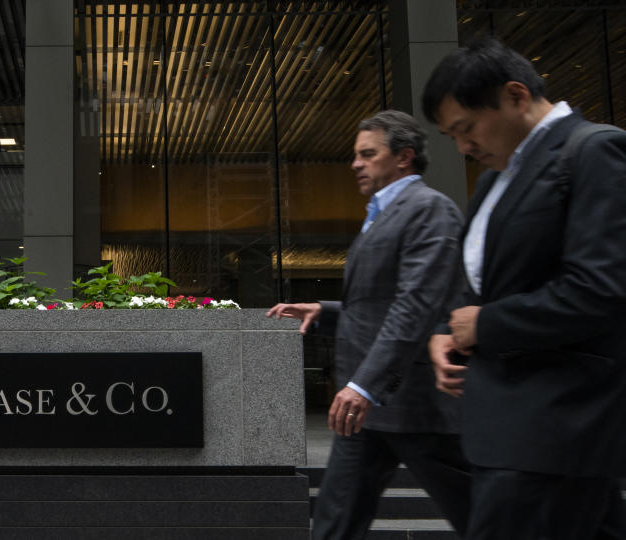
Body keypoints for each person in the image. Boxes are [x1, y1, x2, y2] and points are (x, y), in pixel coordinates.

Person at [421, 37, 626, 539]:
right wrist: (449, 330)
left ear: (516, 96)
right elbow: (486, 284)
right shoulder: (495, 181)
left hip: (557, 429)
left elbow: (603, 288)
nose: (464, 148)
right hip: (510, 430)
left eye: (465, 129)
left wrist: (486, 325)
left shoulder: (596, 150)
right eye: (451, 136)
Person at [268, 110, 471, 539]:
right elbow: (383, 305)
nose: (355, 163)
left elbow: (416, 306)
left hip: (413, 406)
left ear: (404, 157)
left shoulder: (430, 210)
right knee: (335, 523)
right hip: (366, 411)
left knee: (481, 516)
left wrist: (365, 385)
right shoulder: (381, 213)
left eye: (367, 154)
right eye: (356, 155)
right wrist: (327, 311)